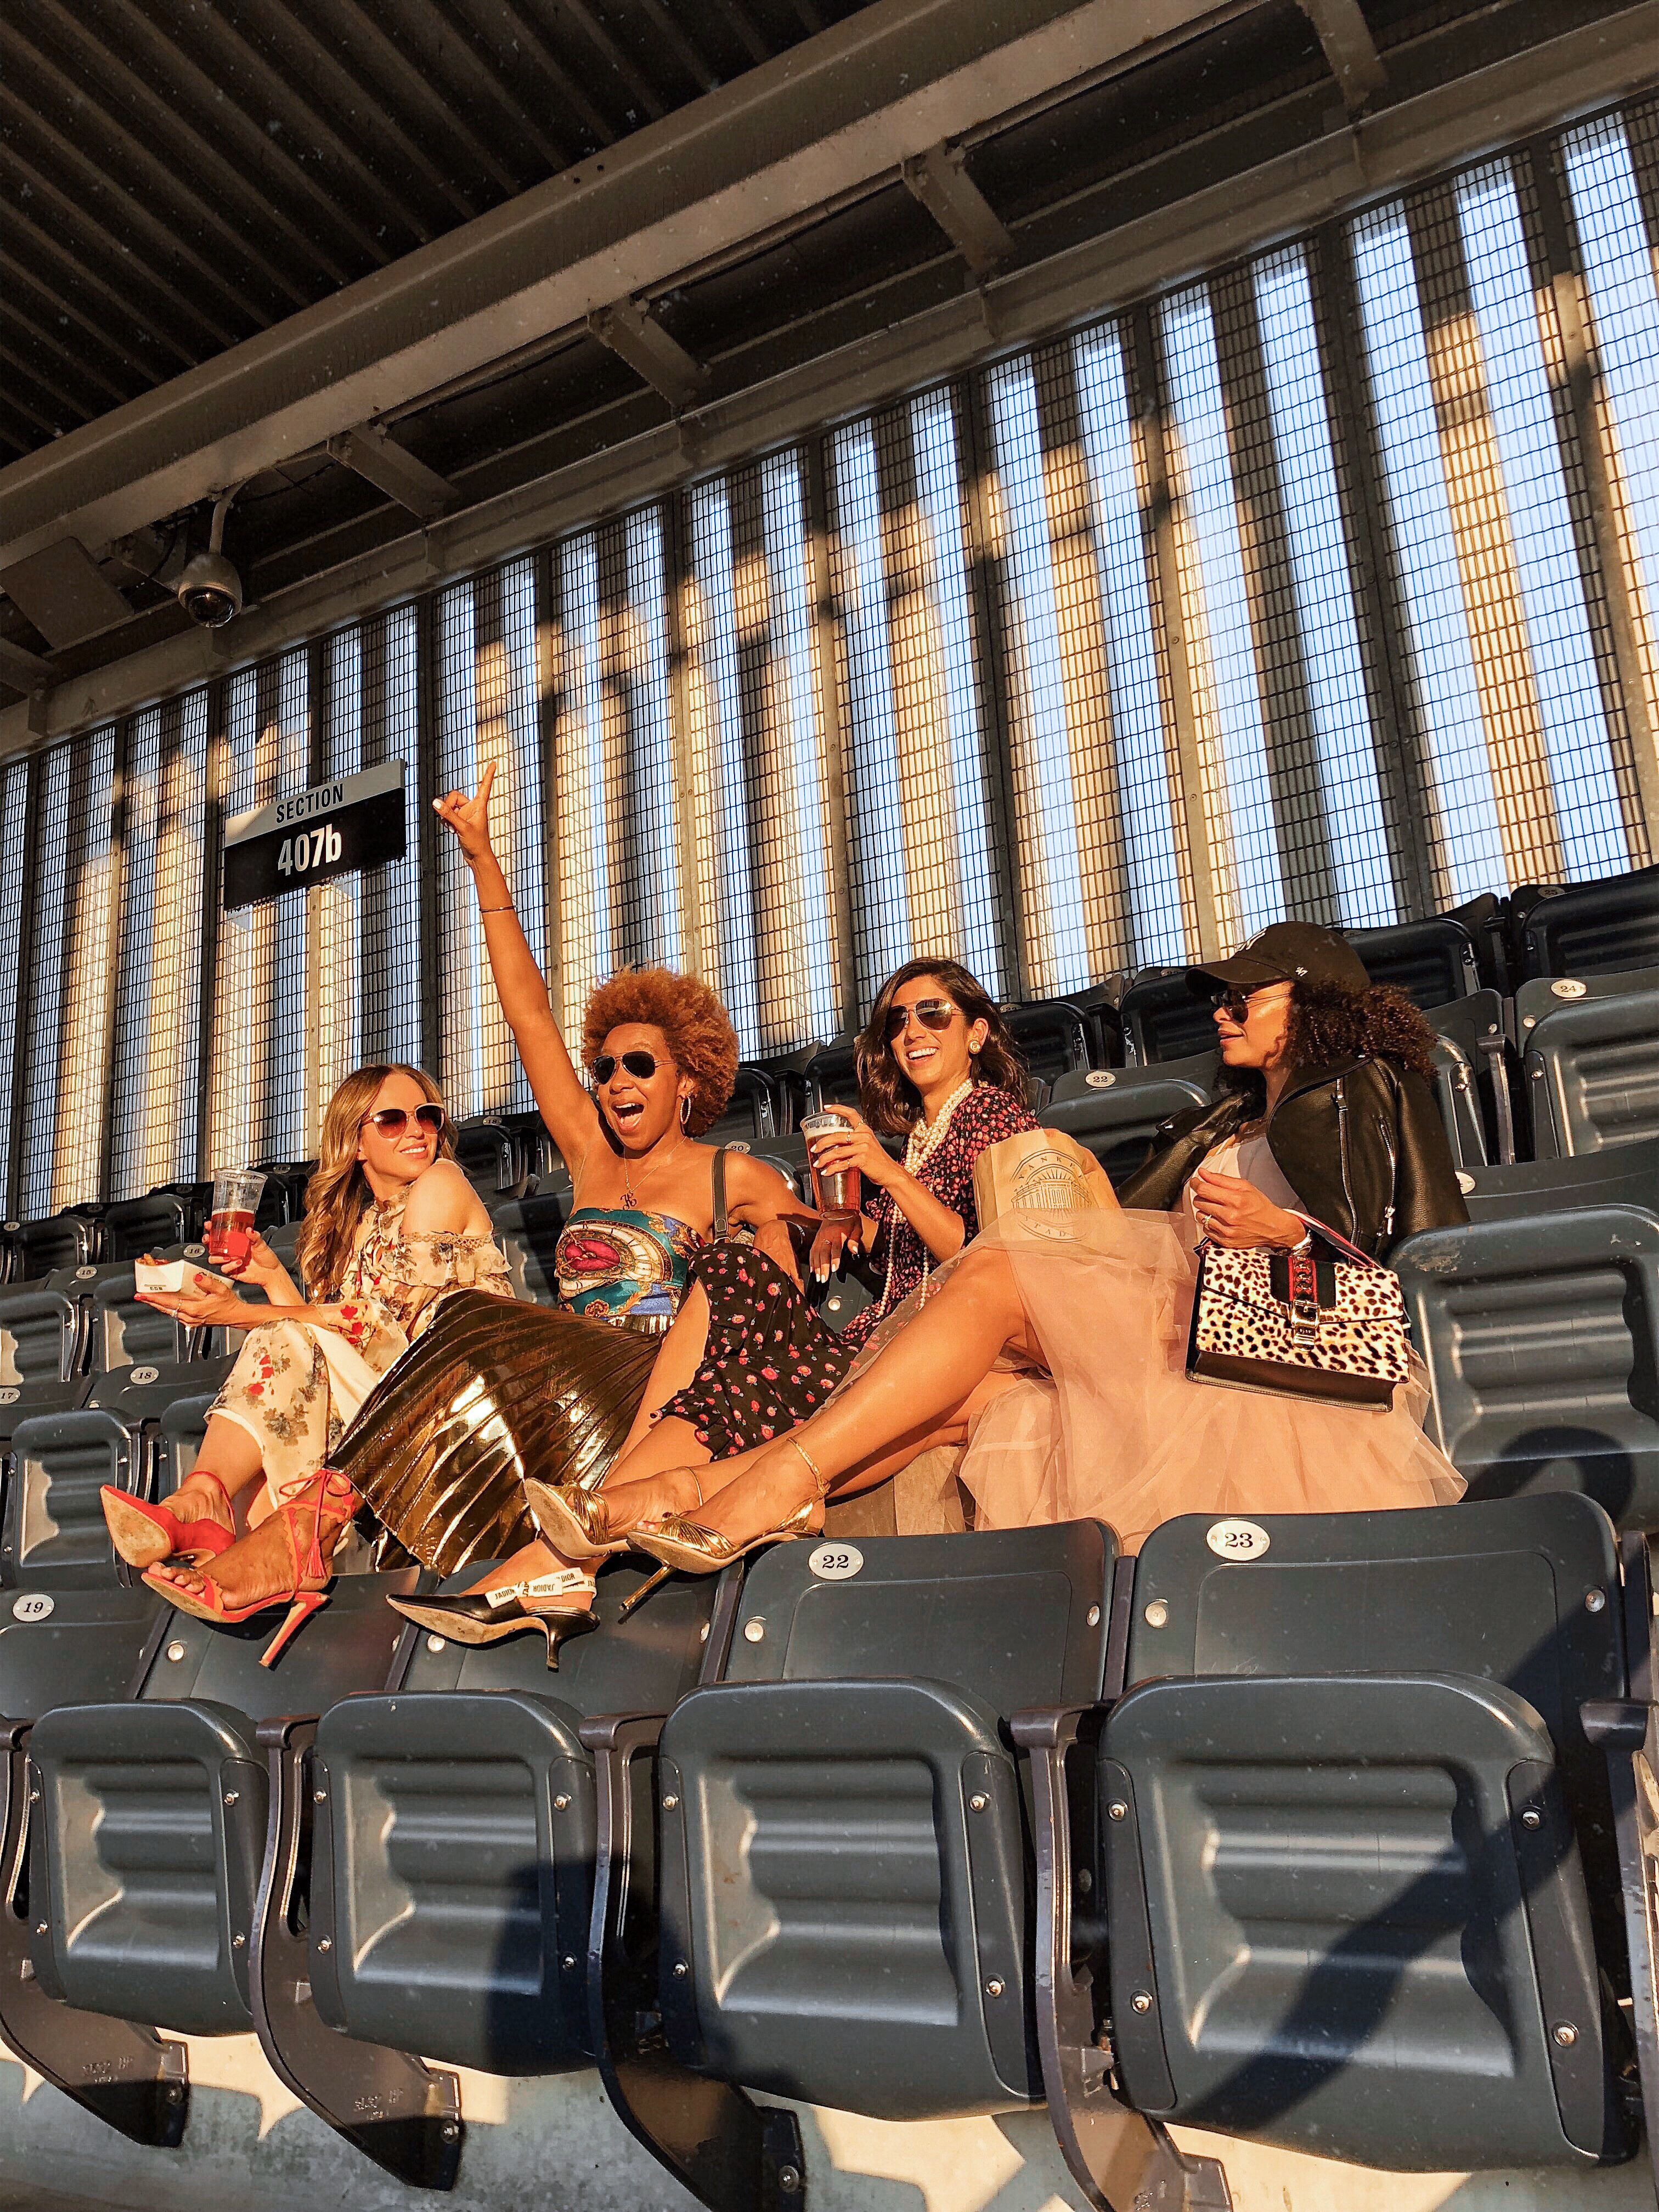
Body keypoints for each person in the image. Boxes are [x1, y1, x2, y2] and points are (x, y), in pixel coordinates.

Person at [622, 922, 1470, 1576]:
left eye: (1245, 998)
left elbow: (1398, 1260)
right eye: (1221, 998)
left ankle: (757, 1490)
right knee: (948, 1396)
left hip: (1278, 1347)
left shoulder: (1355, 1091)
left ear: (1310, 1004)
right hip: (1190, 1318)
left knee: (997, 1268)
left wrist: (1283, 1231)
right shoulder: (1228, 1118)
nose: (1221, 1011)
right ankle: (697, 1499)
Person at [404, 956, 1039, 1634]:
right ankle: (576, 1552)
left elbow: (987, 1259)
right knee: (734, 1276)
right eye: (897, 1019)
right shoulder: (915, 1142)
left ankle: (569, 1547)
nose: (911, 1028)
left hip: (928, 1353)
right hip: (874, 1345)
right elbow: (881, 1255)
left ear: (976, 1034)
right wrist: (839, 1221)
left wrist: (877, 1177)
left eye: (932, 1013)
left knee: (731, 1284)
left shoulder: (991, 1115)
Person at [377, 766, 811, 1655]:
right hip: (581, 1381)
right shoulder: (588, 1152)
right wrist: (481, 860)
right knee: (440, 1331)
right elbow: (528, 1015)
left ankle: (540, 1565)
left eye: (639, 1066)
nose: (616, 1081)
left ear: (687, 1079)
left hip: (663, 1388)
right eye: (606, 1067)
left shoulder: (734, 1174)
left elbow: (800, 1257)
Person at [100, 1062, 512, 1665]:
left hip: (457, 1393)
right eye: (394, 1119)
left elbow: (380, 1326)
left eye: (428, 1116)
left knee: (278, 1335)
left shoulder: (442, 1183)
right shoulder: (363, 1224)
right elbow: (327, 1347)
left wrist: (241, 1317)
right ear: (355, 1140)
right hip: (391, 1389)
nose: (417, 1131)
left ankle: (218, 1509)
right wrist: (270, 1277)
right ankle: (210, 1499)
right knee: (286, 1337)